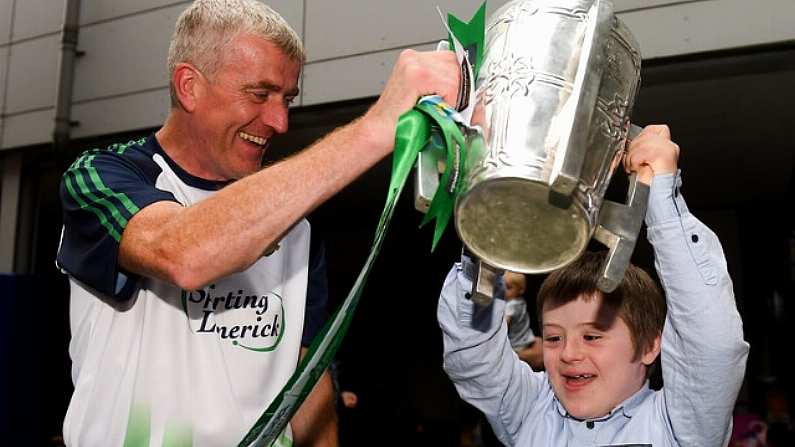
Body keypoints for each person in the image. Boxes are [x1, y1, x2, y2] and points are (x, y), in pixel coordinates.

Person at [56, 0, 460, 445]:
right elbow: (182, 254)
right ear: (189, 86)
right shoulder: (101, 176)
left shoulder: (295, 225)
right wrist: (376, 128)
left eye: (287, 99)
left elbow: (306, 383)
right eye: (259, 94)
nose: (280, 121)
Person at [438, 125, 750, 445]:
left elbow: (712, 345)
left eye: (592, 336)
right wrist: (487, 237)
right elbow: (472, 354)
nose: (569, 353)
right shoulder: (530, 411)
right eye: (554, 337)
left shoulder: (679, 428)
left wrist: (663, 204)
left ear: (649, 346)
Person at [503, 271, 543, 370]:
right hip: (526, 337)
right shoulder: (520, 301)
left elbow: (504, 325)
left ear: (521, 290)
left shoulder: (511, 305)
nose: (503, 290)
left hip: (517, 343)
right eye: (502, 285)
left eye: (508, 287)